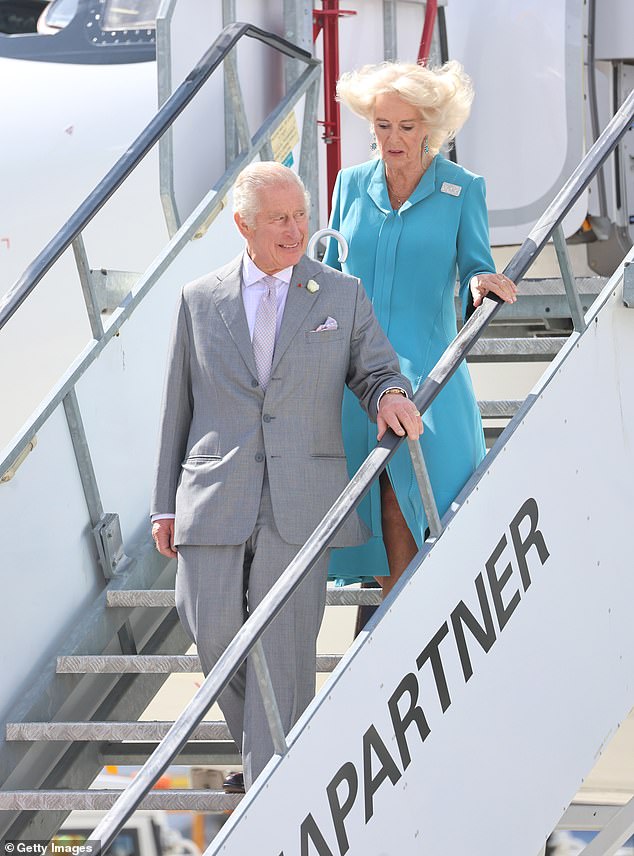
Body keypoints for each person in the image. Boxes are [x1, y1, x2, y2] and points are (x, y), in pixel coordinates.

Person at [150, 162, 422, 790]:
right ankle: (269, 753)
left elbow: (376, 368)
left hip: (303, 499)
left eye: (301, 215)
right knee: (210, 629)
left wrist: (389, 396)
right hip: (212, 494)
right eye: (279, 219)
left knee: (284, 649)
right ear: (243, 224)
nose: (296, 229)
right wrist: (164, 505)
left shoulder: (340, 294)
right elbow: (177, 408)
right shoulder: (199, 298)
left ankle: (270, 782)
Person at [325, 61, 517, 598]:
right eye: (383, 126)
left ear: (430, 126)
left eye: (406, 127)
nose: (393, 138)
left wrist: (481, 281)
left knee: (417, 499)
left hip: (430, 371)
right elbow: (336, 276)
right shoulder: (350, 184)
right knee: (377, 503)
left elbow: (477, 263)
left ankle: (408, 625)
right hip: (357, 376)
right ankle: (395, 629)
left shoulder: (463, 189)